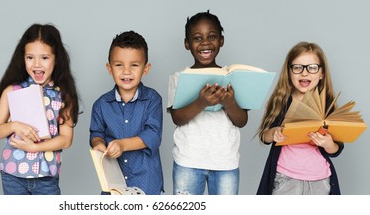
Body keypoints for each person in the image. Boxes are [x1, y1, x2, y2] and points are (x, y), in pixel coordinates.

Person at [0, 23, 79, 195]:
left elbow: (66, 140)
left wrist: (35, 148)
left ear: (56, 59)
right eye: (30, 57)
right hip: (12, 174)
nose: (37, 64)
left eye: (44, 58)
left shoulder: (64, 95)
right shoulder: (12, 91)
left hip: (47, 176)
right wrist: (14, 125)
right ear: (22, 58)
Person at [167, 11, 248, 195]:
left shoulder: (232, 77)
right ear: (187, 44)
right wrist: (201, 102)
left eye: (212, 36)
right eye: (197, 38)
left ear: (221, 40)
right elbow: (177, 118)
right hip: (188, 161)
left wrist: (229, 102)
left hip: (225, 162)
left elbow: (242, 121)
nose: (205, 43)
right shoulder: (179, 78)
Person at [256, 41, 343, 195]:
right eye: (297, 67)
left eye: (312, 67)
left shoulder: (327, 105)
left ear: (321, 73)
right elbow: (264, 136)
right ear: (289, 72)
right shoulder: (281, 101)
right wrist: (275, 132)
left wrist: (328, 143)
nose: (305, 73)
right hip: (285, 178)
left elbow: (336, 149)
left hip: (320, 179)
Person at [89, 31, 164, 195]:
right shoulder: (101, 105)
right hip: (113, 183)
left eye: (134, 65)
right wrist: (98, 144)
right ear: (109, 68)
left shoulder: (152, 99)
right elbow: (96, 133)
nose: (126, 71)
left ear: (146, 69)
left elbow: (153, 135)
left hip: (146, 182)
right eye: (119, 65)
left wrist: (122, 145)